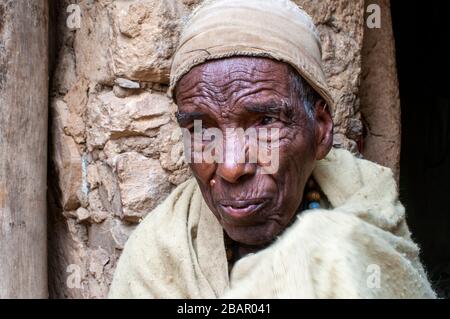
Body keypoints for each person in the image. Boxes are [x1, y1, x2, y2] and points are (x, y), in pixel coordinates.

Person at [109, 0, 435, 298]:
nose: (231, 167)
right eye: (201, 129)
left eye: (264, 122)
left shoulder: (369, 215)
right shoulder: (155, 259)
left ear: (320, 129)